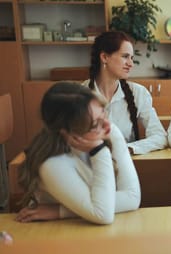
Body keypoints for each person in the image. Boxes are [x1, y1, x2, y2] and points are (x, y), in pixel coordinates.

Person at [15, 82, 141, 224]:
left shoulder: (109, 131)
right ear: (67, 133)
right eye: (94, 124)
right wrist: (99, 150)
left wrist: (59, 211)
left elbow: (132, 198)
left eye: (103, 112)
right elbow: (103, 214)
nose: (107, 125)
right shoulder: (52, 164)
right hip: (57, 235)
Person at [85, 31, 167, 155]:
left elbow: (160, 136)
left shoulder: (138, 93)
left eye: (132, 58)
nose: (131, 64)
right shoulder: (80, 95)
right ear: (104, 57)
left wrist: (126, 149)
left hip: (126, 167)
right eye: (125, 56)